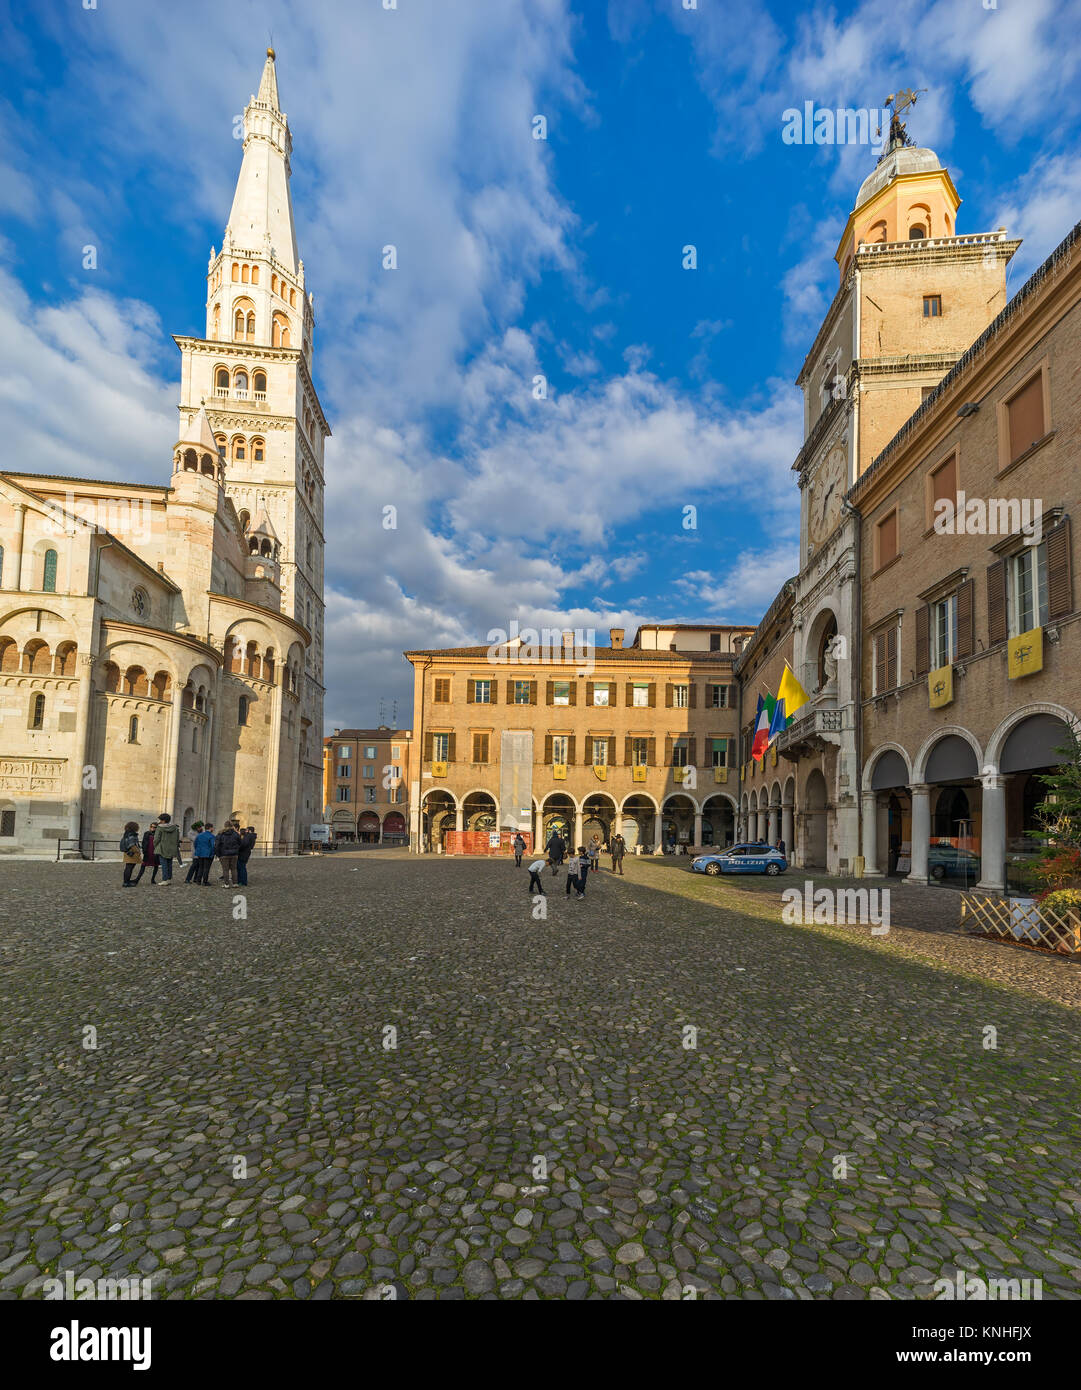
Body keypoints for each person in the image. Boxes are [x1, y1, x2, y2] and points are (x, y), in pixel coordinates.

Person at [153, 814, 181, 884]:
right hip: (171, 848)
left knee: (164, 864)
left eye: (160, 819)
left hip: (162, 848)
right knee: (169, 864)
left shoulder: (159, 827)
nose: (159, 821)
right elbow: (177, 839)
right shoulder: (175, 828)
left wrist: (156, 846)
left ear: (163, 820)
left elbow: (156, 839)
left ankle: (164, 880)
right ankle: (168, 879)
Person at [215, 821, 242, 886]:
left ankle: (226, 884)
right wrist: (236, 850)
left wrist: (218, 854)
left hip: (224, 854)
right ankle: (235, 883)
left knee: (225, 870)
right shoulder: (236, 834)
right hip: (234, 854)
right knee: (234, 869)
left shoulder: (220, 834)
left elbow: (217, 845)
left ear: (225, 826)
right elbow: (240, 843)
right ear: (232, 826)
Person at [120, 821, 141, 886]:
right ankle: (126, 883)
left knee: (128, 867)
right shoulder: (132, 834)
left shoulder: (126, 834)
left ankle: (126, 881)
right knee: (129, 868)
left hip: (127, 853)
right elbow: (132, 845)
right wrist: (138, 851)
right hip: (132, 853)